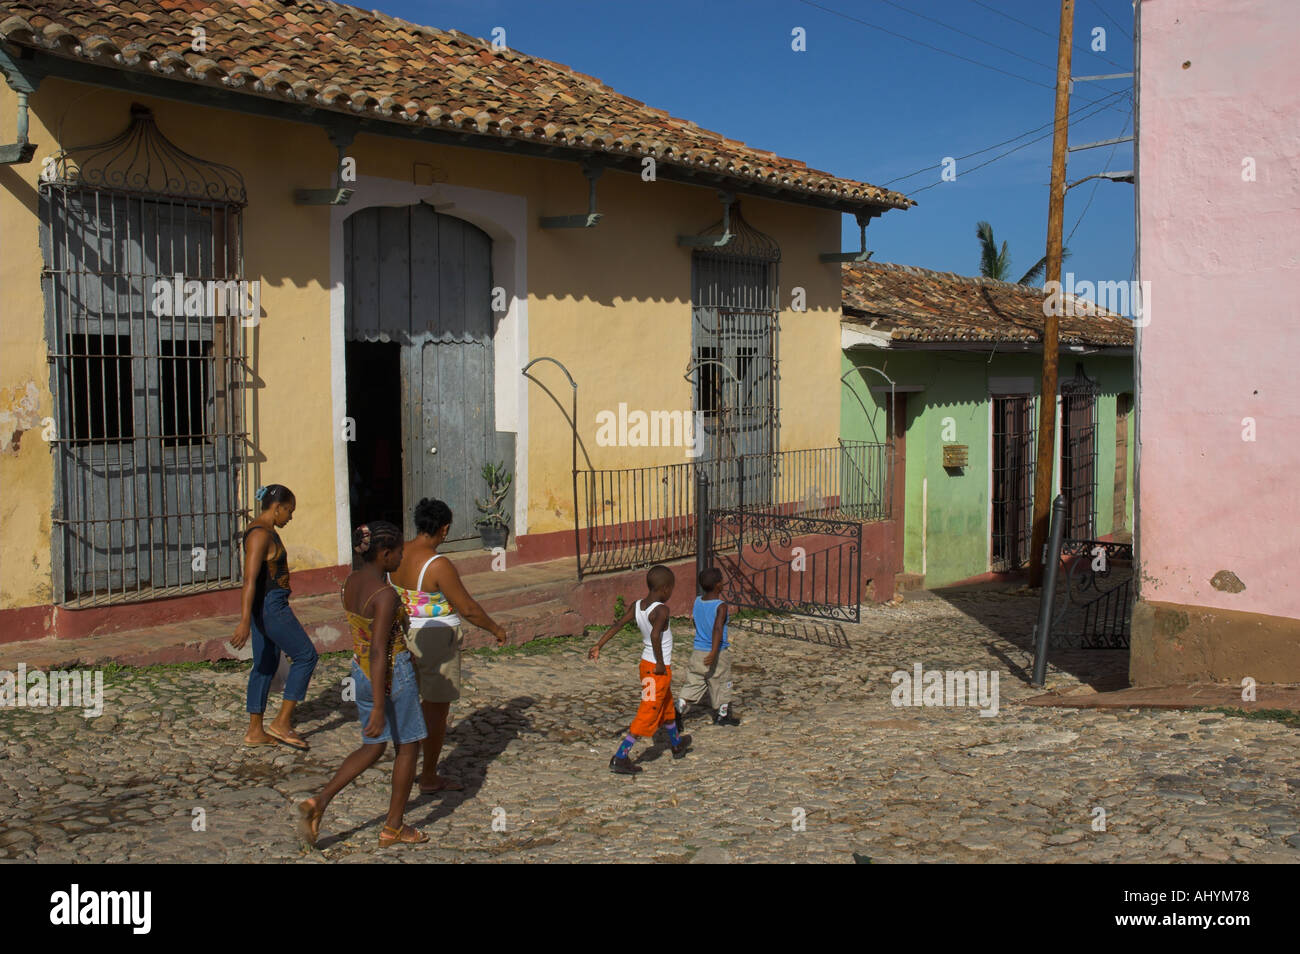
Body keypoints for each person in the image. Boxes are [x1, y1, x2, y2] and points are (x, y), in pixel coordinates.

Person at [296, 522, 428, 848]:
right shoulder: (385, 596)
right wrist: (381, 707)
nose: (402, 556)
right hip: (391, 676)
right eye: (398, 552)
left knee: (372, 747)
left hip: (360, 672)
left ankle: (319, 802)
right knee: (408, 747)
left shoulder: (351, 582)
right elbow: (381, 649)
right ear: (384, 555)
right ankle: (393, 827)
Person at [389, 498, 508, 795]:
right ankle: (428, 774)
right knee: (435, 710)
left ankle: (403, 763)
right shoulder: (437, 565)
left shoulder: (397, 552)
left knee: (409, 706)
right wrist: (495, 628)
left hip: (406, 636)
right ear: (444, 529)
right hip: (435, 641)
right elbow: (467, 607)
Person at [233, 484, 318, 750]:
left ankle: (255, 731)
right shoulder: (260, 535)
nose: (290, 517)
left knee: (265, 665)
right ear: (277, 507)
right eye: (289, 511)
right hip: (271, 607)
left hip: (266, 605)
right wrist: (245, 619)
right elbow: (249, 580)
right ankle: (281, 722)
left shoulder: (266, 531)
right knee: (306, 656)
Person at [588, 564, 691, 775]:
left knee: (667, 707)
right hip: (657, 669)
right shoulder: (662, 610)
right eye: (671, 589)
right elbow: (655, 636)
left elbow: (618, 625)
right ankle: (621, 756)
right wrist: (661, 663)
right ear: (665, 589)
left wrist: (599, 644)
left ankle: (676, 744)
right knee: (648, 711)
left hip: (646, 665)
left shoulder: (637, 606)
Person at [675, 567, 741, 728]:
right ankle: (722, 715)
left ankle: (678, 708)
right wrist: (713, 651)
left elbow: (698, 622)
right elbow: (717, 629)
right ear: (718, 585)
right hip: (717, 651)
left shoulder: (697, 601)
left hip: (698, 650)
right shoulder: (721, 606)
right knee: (721, 682)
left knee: (694, 681)